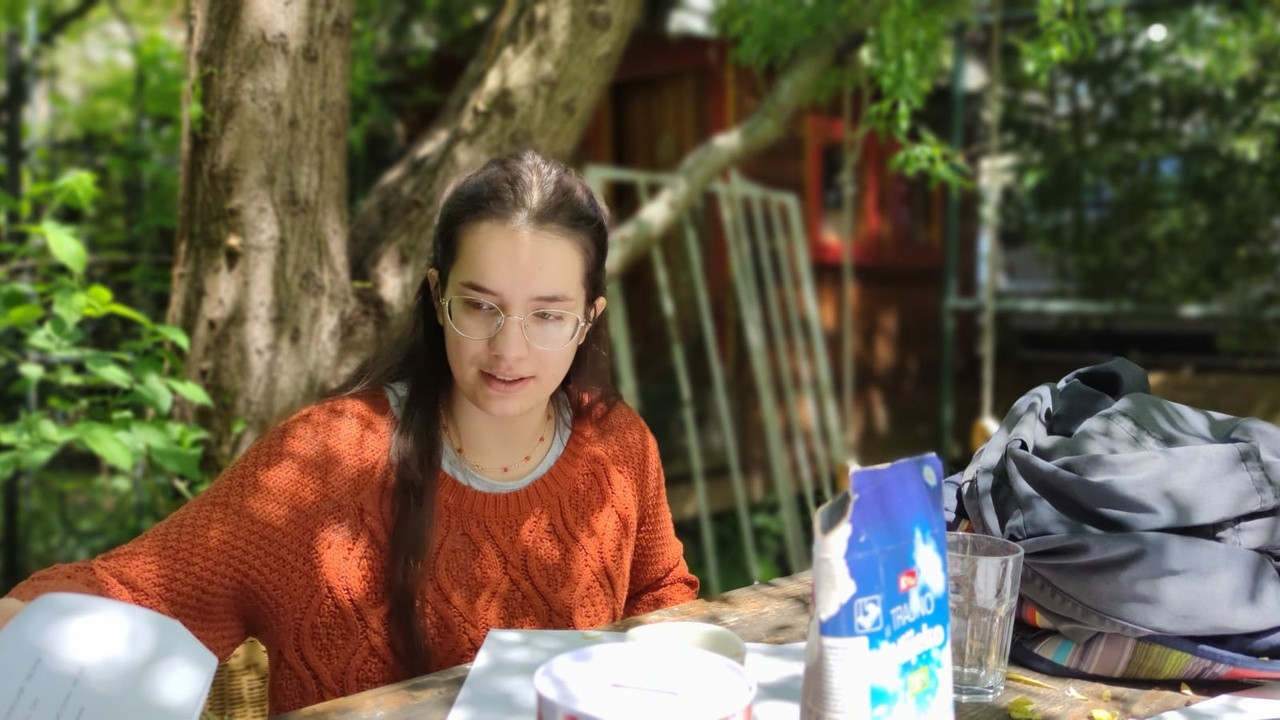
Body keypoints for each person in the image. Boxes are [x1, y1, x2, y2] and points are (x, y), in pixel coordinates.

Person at [0, 149, 699, 714]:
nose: (508, 349)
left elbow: (662, 598)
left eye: (547, 315)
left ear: (587, 318)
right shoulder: (324, 460)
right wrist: (22, 620)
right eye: (480, 306)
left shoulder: (619, 445)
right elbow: (135, 589)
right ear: (437, 296)